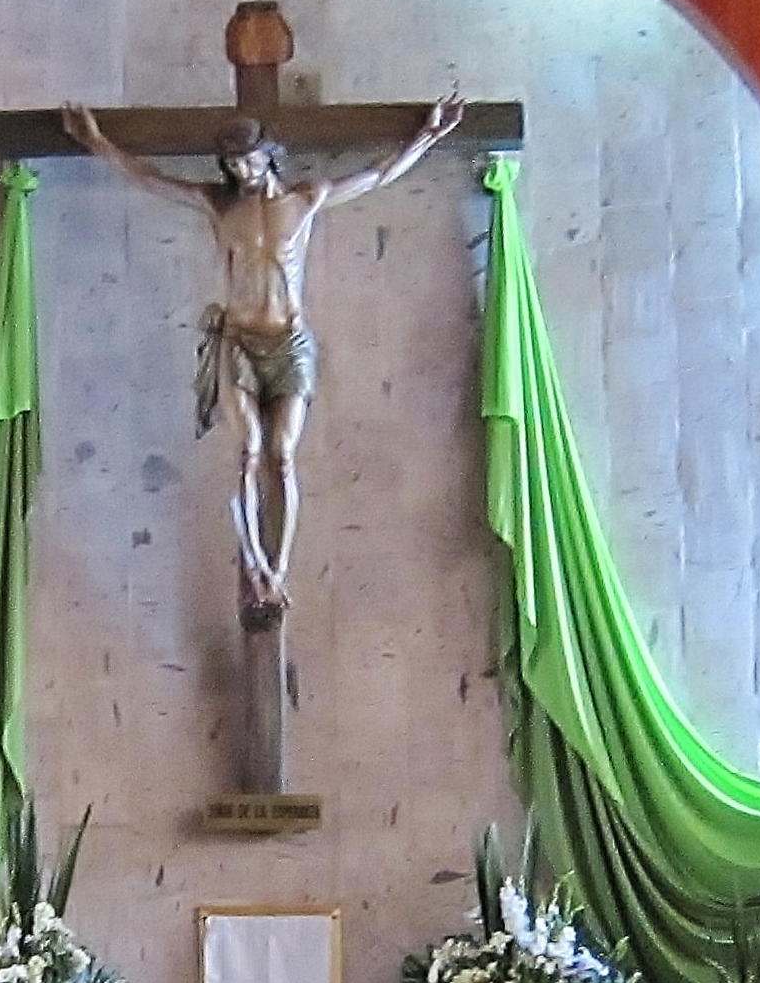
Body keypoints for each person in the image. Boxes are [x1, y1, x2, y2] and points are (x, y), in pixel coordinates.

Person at [61, 90, 462, 619]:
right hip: (239, 341)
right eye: (231, 163)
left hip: (289, 342)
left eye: (248, 158)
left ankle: (282, 566)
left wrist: (427, 137)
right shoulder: (219, 205)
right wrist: (97, 143)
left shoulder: (306, 199)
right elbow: (150, 179)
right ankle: (257, 569)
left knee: (284, 456)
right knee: (247, 455)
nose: (240, 169)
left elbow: (378, 175)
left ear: (269, 154)